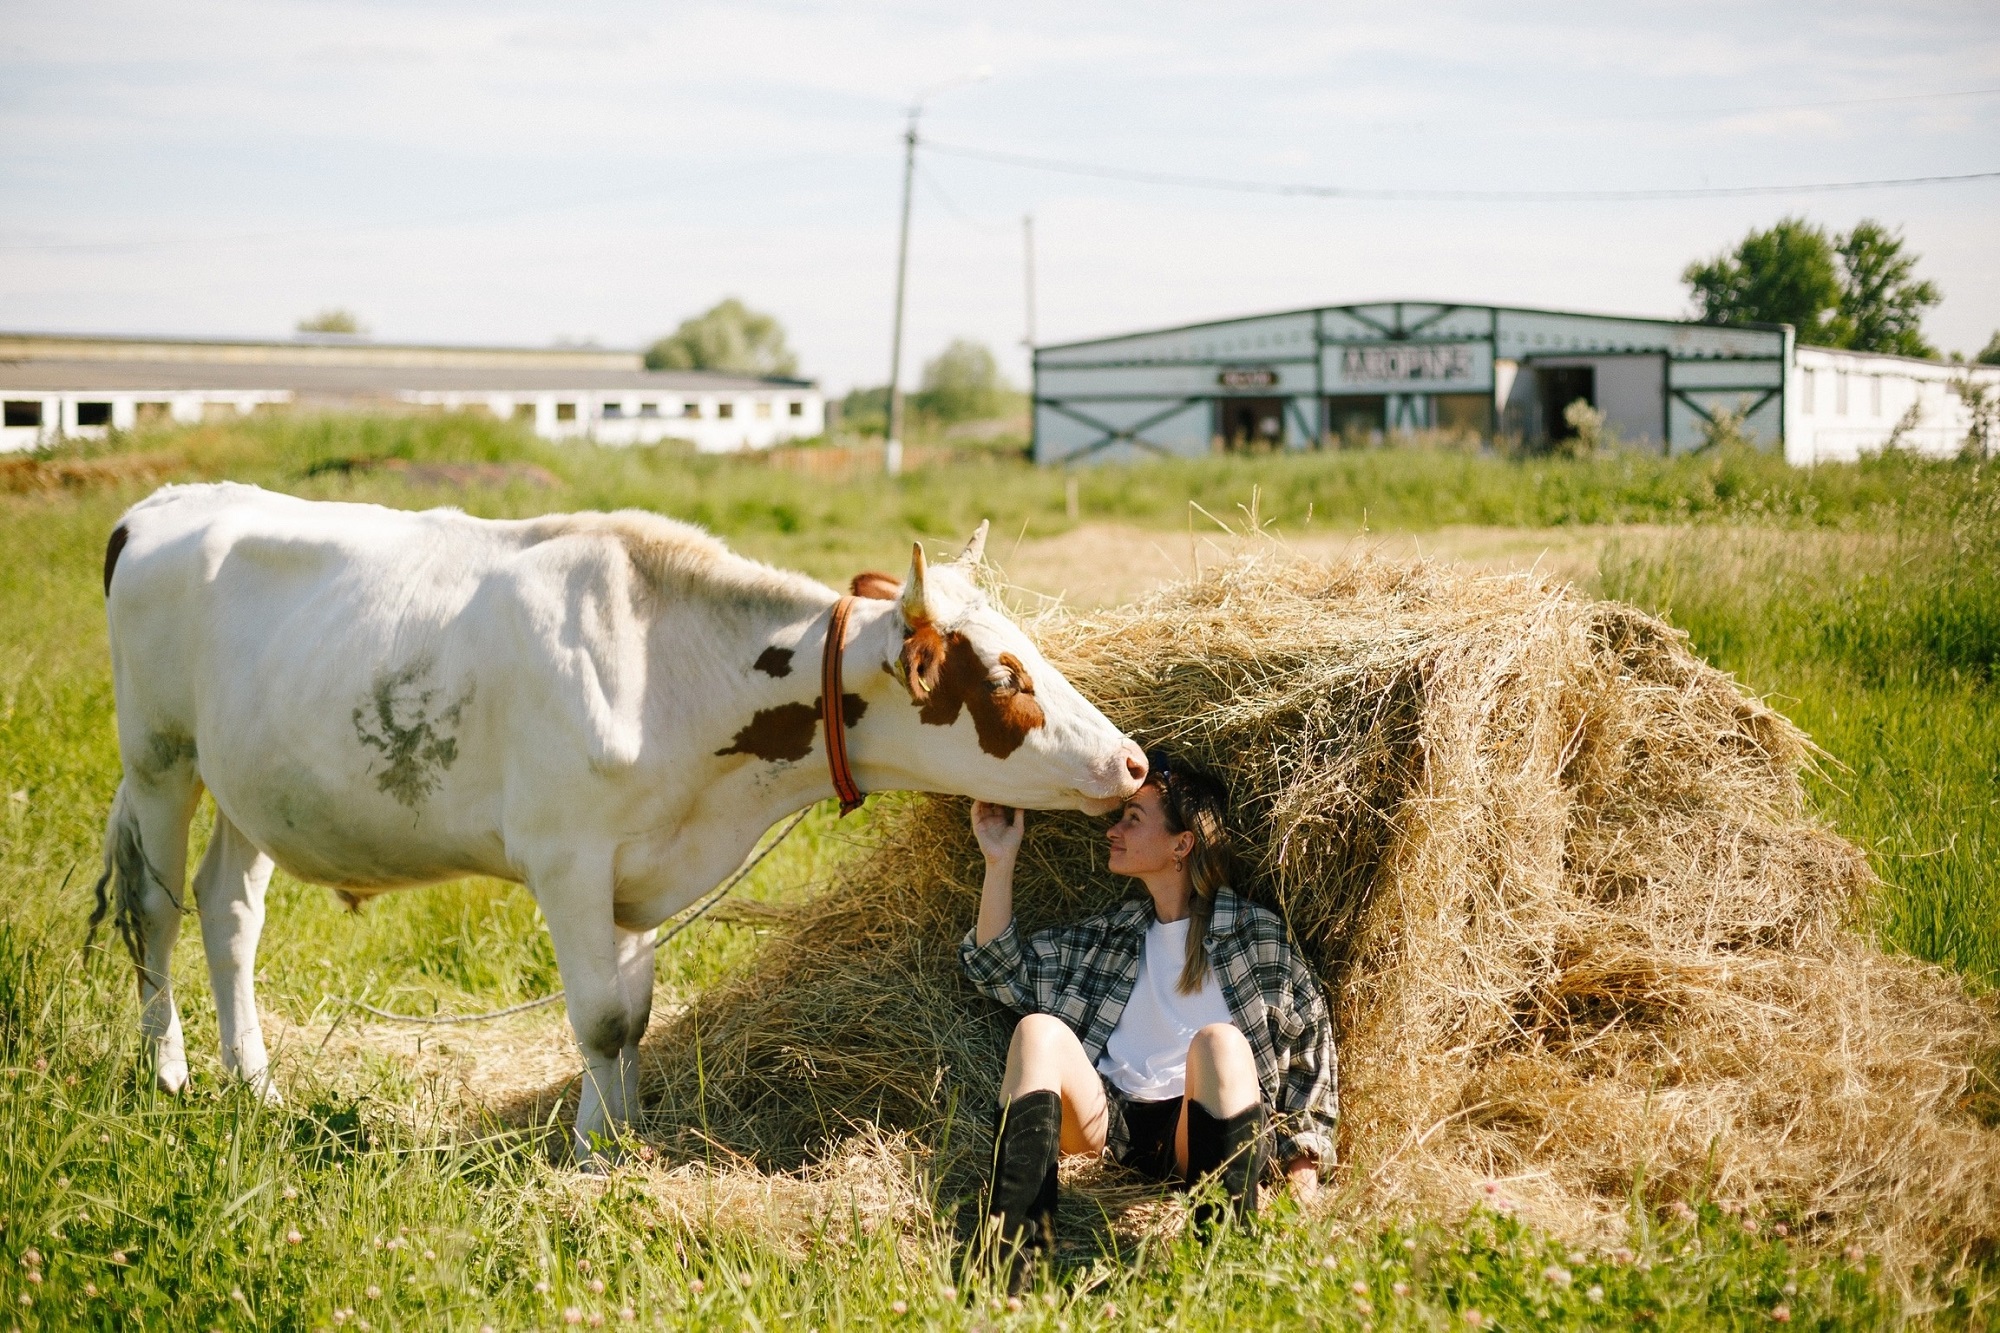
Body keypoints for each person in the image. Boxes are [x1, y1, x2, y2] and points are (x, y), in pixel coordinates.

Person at [958, 749, 1337, 1289]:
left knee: (1221, 1044)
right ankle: (1010, 1273)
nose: (1114, 830)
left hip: (1200, 1129)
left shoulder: (1256, 938)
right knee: (1036, 1032)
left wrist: (1302, 1182)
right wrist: (999, 860)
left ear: (1182, 844)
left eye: (1132, 819)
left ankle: (1226, 1274)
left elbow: (1309, 1063)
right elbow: (1000, 968)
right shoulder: (1114, 936)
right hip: (1110, 1125)